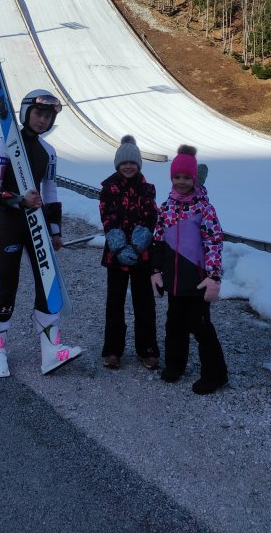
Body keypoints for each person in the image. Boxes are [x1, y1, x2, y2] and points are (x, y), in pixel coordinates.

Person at [0, 89, 81, 378]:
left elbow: (49, 191)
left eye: (48, 117)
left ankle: (52, 351)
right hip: (11, 224)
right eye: (39, 114)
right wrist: (19, 200)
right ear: (27, 112)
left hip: (36, 225)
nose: (42, 120)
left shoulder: (48, 153)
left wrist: (55, 230)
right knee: (7, 291)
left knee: (48, 287)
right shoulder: (5, 145)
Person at [151, 144, 228, 394]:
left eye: (186, 177)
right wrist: (156, 270)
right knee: (174, 325)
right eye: (177, 177)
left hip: (197, 280)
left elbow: (214, 242)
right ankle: (175, 365)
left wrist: (214, 275)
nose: (181, 181)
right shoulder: (167, 207)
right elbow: (159, 240)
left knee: (201, 327)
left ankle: (216, 374)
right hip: (174, 281)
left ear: (194, 178)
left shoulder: (203, 208)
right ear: (171, 177)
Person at [99, 135, 159, 370]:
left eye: (132, 162)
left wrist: (137, 244)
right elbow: (107, 216)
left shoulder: (147, 189)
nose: (128, 166)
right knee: (115, 302)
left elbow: (151, 216)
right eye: (124, 162)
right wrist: (119, 244)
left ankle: (147, 349)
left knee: (144, 304)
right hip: (116, 256)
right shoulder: (108, 188)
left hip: (142, 256)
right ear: (117, 164)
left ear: (139, 164)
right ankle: (113, 350)